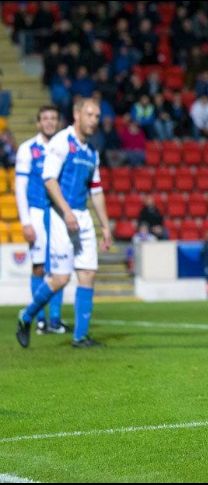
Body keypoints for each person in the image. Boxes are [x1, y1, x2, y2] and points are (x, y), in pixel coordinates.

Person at [15, 98, 113, 348]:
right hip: (61, 216)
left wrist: (105, 225)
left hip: (81, 216)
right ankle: (26, 316)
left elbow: (97, 190)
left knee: (88, 273)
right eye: (90, 115)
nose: (94, 120)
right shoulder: (62, 142)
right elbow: (49, 180)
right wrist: (67, 212)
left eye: (97, 116)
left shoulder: (91, 151)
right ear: (77, 114)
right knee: (60, 278)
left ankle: (80, 337)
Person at [14, 105, 68, 335]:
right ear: (38, 123)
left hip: (56, 214)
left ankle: (55, 320)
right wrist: (25, 222)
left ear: (58, 122)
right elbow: (20, 187)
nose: (49, 122)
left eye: (53, 118)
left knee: (59, 265)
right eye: (45, 118)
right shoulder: (27, 149)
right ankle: (39, 320)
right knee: (38, 267)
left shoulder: (62, 148)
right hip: (36, 212)